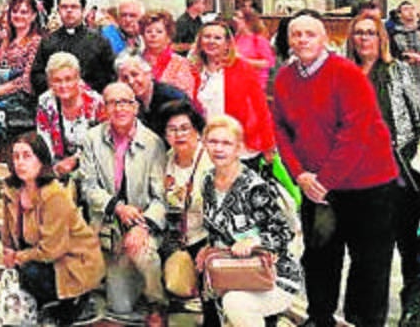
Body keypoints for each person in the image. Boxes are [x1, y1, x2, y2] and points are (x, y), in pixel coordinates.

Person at [272, 11, 399, 327]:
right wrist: (299, 175)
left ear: (325, 38)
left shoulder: (347, 74)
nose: (302, 40)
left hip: (368, 184)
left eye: (310, 34)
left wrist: (324, 181)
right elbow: (280, 130)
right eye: (296, 34)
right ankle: (320, 318)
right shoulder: (285, 77)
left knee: (369, 263)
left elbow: (355, 133)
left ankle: (365, 322)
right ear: (289, 40)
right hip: (315, 184)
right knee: (319, 258)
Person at [346, 14, 420, 326]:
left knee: (409, 242)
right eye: (358, 33)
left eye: (370, 33)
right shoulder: (344, 74)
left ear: (381, 38)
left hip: (400, 167)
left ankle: (413, 304)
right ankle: (365, 311)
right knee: (368, 246)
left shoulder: (397, 71)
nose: (364, 39)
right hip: (359, 172)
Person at [77, 82, 169, 326]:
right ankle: (118, 272)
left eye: (125, 102)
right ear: (104, 108)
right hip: (105, 225)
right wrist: (117, 207)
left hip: (139, 224)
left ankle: (156, 302)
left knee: (143, 253)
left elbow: (161, 198)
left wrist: (143, 225)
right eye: (112, 102)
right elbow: (89, 188)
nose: (119, 108)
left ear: (136, 107)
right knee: (120, 305)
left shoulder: (153, 143)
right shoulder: (91, 139)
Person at [198, 115, 302, 327]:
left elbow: (284, 232)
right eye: (213, 142)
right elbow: (216, 229)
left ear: (238, 149)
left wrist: (254, 241)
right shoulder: (208, 181)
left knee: (235, 302)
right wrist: (207, 248)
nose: (219, 148)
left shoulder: (254, 187)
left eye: (226, 143)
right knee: (211, 287)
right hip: (231, 267)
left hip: (272, 274)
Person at [2, 133, 104, 325]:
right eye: (16, 156)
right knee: (20, 275)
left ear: (41, 160)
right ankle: (47, 300)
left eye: (27, 156)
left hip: (71, 262)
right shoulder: (11, 189)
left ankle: (74, 300)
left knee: (30, 271)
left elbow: (53, 249)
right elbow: (8, 232)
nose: (20, 162)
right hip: (38, 254)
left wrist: (19, 257)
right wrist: (9, 252)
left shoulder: (54, 194)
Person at [189, 21, 276, 161]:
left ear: (227, 43)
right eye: (207, 37)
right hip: (204, 147)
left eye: (217, 38)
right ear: (199, 42)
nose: (211, 41)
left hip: (238, 146)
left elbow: (260, 107)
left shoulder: (242, 68)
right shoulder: (192, 70)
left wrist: (268, 145)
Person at [30, 0, 116, 94]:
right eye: (64, 7)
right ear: (58, 11)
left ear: (83, 10)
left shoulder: (99, 41)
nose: (69, 11)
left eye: (74, 7)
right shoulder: (48, 41)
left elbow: (110, 76)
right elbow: (36, 75)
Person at [159, 100, 211, 271]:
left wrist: (211, 246)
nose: (179, 135)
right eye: (172, 130)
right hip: (173, 240)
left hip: (207, 241)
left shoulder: (211, 162)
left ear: (197, 131)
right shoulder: (165, 160)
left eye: (184, 128)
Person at [36, 52, 105, 179]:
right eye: (57, 80)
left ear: (78, 78)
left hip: (92, 164)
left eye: (68, 79)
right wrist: (53, 170)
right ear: (49, 82)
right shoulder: (45, 101)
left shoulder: (96, 102)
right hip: (58, 165)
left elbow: (101, 143)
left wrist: (75, 160)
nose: (63, 86)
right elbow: (44, 140)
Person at [0, 0, 45, 106]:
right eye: (15, 11)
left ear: (33, 16)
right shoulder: (7, 41)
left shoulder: (36, 42)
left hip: (20, 103)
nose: (18, 15)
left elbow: (27, 79)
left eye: (24, 12)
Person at [115, 53, 188, 139]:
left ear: (148, 74)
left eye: (135, 74)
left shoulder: (173, 99)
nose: (131, 81)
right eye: (125, 78)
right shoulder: (129, 102)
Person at [389, 0, 420, 106]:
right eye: (406, 9)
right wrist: (404, 58)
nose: (410, 12)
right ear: (399, 14)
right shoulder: (393, 34)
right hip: (404, 80)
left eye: (412, 8)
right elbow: (390, 55)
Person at [140, 9, 196, 96]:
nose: (153, 35)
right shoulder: (136, 61)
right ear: (142, 36)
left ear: (168, 36)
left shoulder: (180, 63)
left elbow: (186, 95)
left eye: (159, 31)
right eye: (148, 31)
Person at [231, 7, 275, 91]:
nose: (235, 20)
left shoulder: (259, 40)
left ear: (248, 21)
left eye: (239, 18)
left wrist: (242, 60)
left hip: (254, 85)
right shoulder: (237, 38)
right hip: (238, 83)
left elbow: (267, 63)